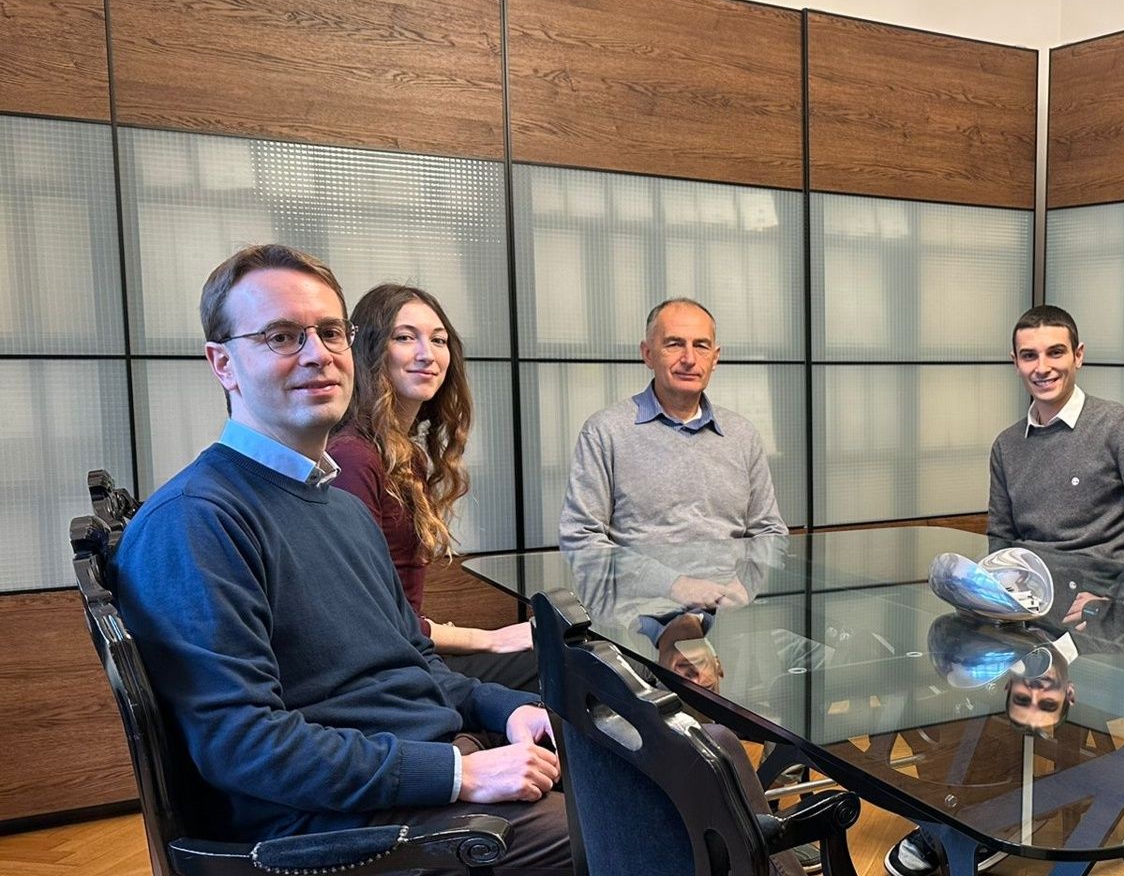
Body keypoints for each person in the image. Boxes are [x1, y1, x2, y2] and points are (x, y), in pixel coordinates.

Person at [113, 245, 568, 872]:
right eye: (281, 336)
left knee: (668, 763)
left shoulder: (342, 506)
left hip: (417, 760)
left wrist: (508, 709)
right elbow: (243, 745)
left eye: (331, 332)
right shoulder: (196, 520)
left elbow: (416, 664)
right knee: (644, 823)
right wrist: (457, 772)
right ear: (223, 364)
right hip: (325, 823)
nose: (317, 354)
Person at [329, 283, 537, 690]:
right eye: (405, 337)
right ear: (370, 350)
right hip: (377, 673)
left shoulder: (406, 455)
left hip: (409, 649)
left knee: (580, 659)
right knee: (565, 672)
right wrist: (489, 639)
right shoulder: (353, 457)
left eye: (438, 340)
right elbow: (366, 612)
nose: (427, 354)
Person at [557, 297, 786, 609]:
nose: (689, 358)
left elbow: (769, 531)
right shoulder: (605, 431)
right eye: (675, 344)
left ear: (715, 358)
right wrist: (674, 585)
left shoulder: (742, 434)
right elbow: (580, 537)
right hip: (636, 614)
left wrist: (745, 584)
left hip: (728, 607)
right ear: (648, 354)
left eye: (701, 346)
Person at [987, 305, 1124, 592]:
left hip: (1105, 600)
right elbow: (1000, 541)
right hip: (1031, 601)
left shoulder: (1120, 425)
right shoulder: (1006, 445)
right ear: (1016, 363)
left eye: (1055, 352)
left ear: (1078, 356)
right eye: (1029, 356)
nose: (1042, 368)